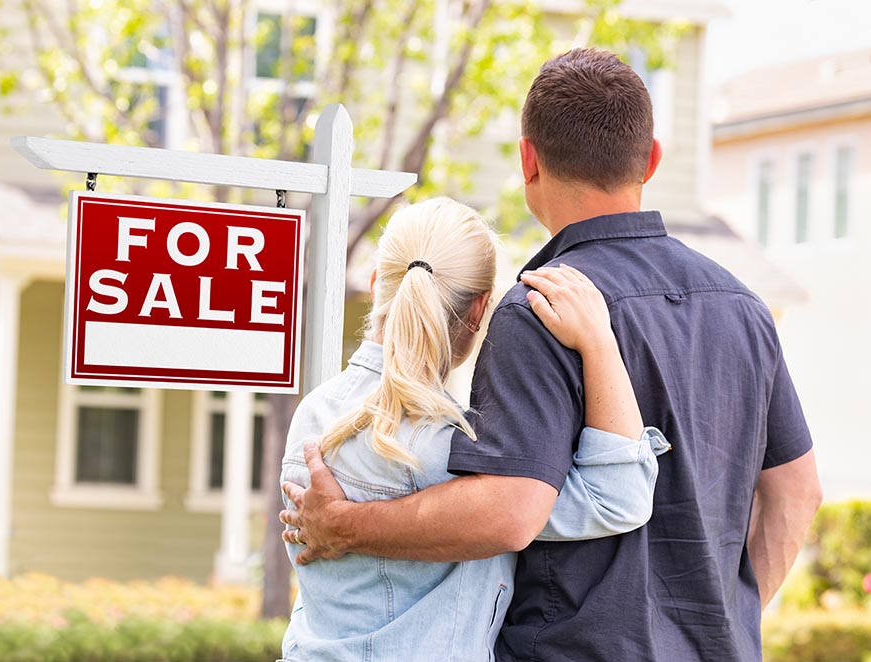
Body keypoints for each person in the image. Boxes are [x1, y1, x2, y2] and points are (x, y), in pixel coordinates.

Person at [281, 48, 823, 661]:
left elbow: (508, 510)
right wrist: (725, 625)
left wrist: (347, 525)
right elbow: (797, 492)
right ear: (651, 160)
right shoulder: (744, 308)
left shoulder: (538, 310)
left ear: (527, 159)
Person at [278, 197, 669, 661]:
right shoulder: (453, 447)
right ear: (480, 309)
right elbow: (616, 496)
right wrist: (599, 342)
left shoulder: (314, 413)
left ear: (375, 284)